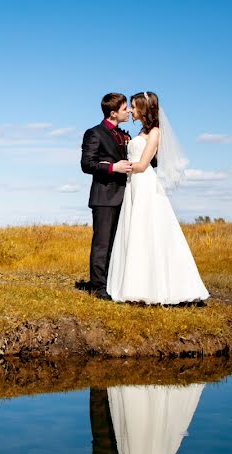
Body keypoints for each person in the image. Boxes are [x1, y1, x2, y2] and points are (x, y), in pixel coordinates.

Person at [106, 92, 209, 305]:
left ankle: (157, 287)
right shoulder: (142, 131)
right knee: (134, 232)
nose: (131, 110)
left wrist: (117, 168)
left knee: (147, 231)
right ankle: (134, 285)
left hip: (144, 183)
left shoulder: (154, 133)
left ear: (143, 108)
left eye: (134, 106)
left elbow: (143, 165)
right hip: (133, 184)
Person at [80, 93, 134, 300]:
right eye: (124, 109)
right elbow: (87, 164)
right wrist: (113, 167)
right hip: (104, 196)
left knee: (118, 243)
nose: (128, 111)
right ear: (113, 113)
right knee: (102, 243)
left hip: (126, 197)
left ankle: (113, 283)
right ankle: (98, 287)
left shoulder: (123, 134)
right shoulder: (94, 133)